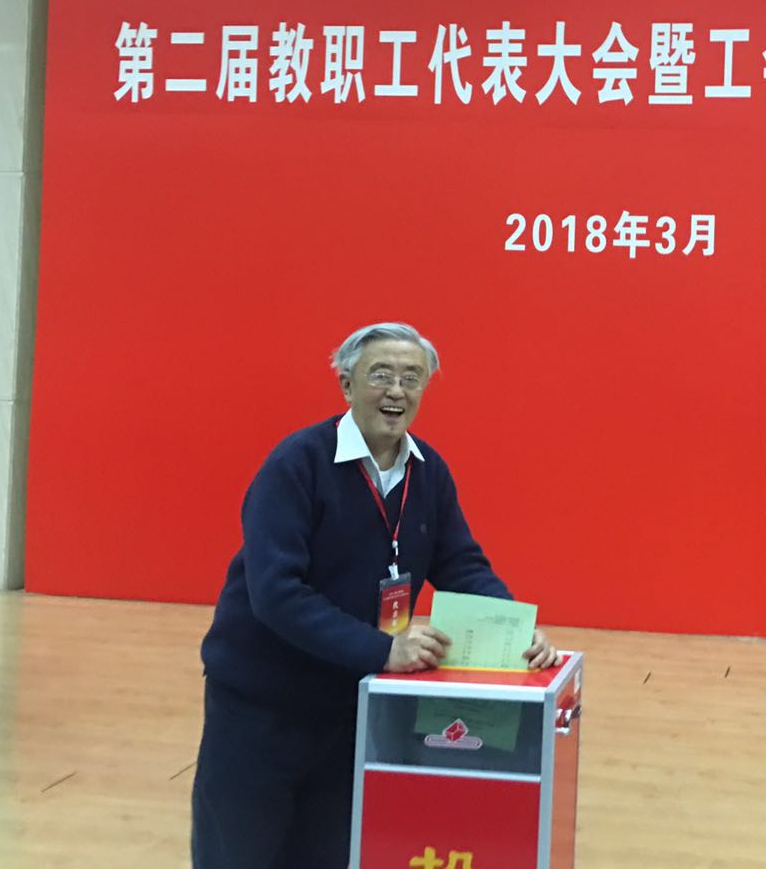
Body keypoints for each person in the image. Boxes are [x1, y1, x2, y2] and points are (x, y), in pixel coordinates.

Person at [191, 321, 556, 869]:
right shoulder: (296, 464)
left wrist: (515, 629)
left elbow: (462, 564)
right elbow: (276, 594)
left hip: (353, 701)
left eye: (412, 378)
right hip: (263, 704)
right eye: (380, 375)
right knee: (239, 852)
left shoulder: (428, 472)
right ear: (346, 384)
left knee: (329, 851)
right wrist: (384, 650)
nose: (397, 391)